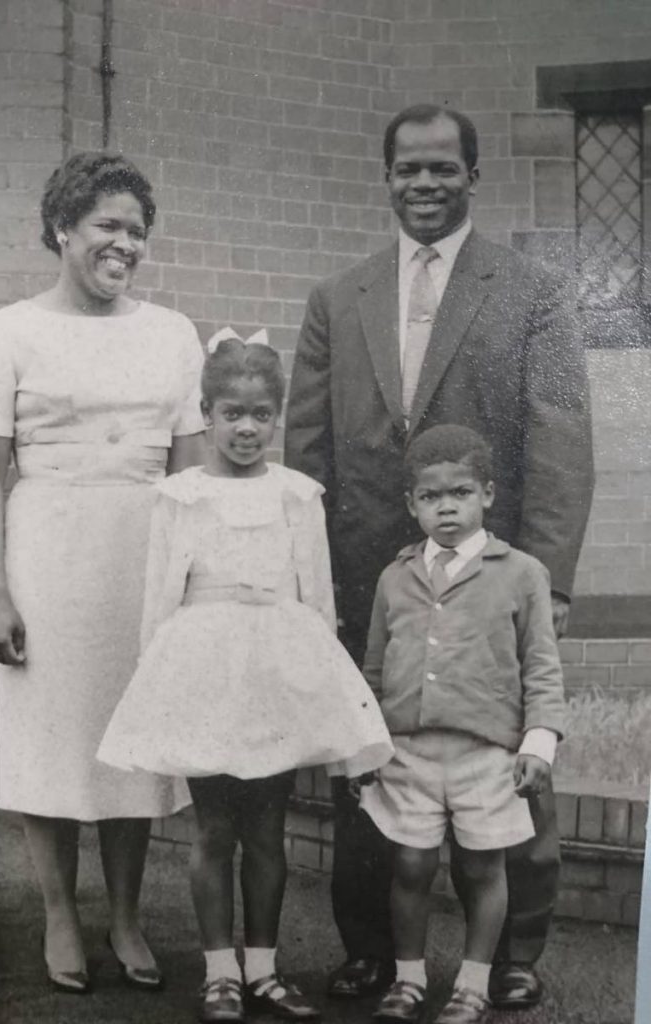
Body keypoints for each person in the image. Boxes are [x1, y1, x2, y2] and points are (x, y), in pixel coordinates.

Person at [284, 104, 594, 1008]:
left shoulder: (536, 293)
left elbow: (562, 442)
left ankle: (517, 952)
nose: (424, 184)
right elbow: (308, 454)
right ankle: (375, 949)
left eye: (442, 169)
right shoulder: (338, 298)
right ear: (385, 178)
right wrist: (312, 588)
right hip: (370, 586)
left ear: (472, 175)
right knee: (369, 768)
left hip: (494, 579)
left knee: (507, 761)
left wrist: (551, 580)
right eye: (408, 169)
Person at [0, 152, 207, 995]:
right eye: (108, 226)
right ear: (62, 229)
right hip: (48, 553)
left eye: (137, 231)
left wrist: (196, 582)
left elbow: (193, 469)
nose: (125, 245)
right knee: (54, 740)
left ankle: (128, 916)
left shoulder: (172, 332)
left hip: (143, 555)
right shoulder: (5, 332)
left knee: (132, 742)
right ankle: (61, 912)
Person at [98, 330, 394, 1023]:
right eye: (232, 413)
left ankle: (263, 966)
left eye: (261, 414)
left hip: (277, 669)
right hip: (202, 668)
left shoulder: (298, 494)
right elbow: (159, 600)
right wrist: (157, 682)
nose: (247, 428)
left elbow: (317, 600)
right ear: (206, 413)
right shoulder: (179, 496)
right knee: (212, 830)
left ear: (278, 417)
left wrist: (323, 686)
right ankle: (218, 971)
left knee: (266, 828)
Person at [360, 425, 565, 1024]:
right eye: (430, 496)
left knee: (482, 866)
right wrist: (366, 747)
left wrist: (539, 742)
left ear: (489, 495)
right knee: (411, 865)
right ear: (410, 505)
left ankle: (474, 983)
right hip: (409, 753)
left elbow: (543, 667)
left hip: (487, 753)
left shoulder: (521, 572)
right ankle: (408, 978)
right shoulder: (395, 577)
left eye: (462, 492)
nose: (446, 507)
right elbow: (373, 670)